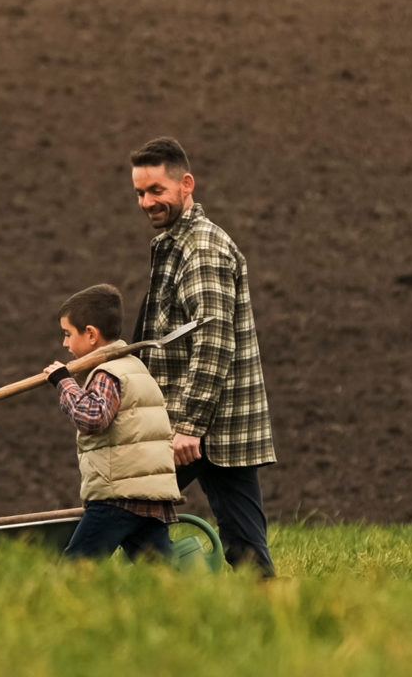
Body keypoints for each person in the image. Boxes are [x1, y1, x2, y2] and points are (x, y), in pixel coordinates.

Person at [128, 136, 277, 577]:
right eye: (139, 192)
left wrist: (189, 426)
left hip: (202, 426)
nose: (146, 202)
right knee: (245, 542)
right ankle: (275, 614)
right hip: (219, 423)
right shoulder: (177, 241)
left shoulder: (201, 249)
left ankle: (169, 593)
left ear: (186, 184)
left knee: (122, 508)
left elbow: (213, 339)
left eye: (156, 190)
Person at [40, 282, 181, 560]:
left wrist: (64, 383)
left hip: (118, 497)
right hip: (146, 496)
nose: (64, 344)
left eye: (68, 334)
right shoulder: (134, 367)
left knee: (76, 569)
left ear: (91, 334)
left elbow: (92, 418)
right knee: (161, 578)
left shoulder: (109, 373)